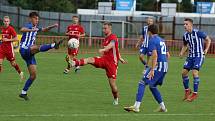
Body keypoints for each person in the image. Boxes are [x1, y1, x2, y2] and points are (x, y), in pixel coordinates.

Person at [69, 22, 127, 105]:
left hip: (112, 64)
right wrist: (120, 57)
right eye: (103, 28)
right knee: (90, 59)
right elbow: (115, 49)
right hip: (104, 60)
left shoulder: (113, 37)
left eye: (105, 28)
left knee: (112, 85)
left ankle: (116, 98)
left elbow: (112, 45)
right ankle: (74, 63)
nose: (103, 30)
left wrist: (105, 50)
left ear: (110, 28)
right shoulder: (105, 38)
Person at [124, 24, 170, 113]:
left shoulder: (152, 40)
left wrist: (152, 70)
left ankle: (136, 106)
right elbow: (168, 55)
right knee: (152, 86)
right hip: (164, 66)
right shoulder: (162, 40)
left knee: (142, 83)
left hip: (158, 66)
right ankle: (163, 107)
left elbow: (155, 55)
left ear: (149, 32)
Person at [19, 12, 63, 100]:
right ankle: (53, 45)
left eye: (38, 19)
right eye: (35, 18)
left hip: (30, 54)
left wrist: (53, 26)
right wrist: (32, 29)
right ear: (30, 19)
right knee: (37, 47)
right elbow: (22, 29)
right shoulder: (28, 25)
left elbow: (44, 29)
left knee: (33, 75)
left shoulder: (36, 27)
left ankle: (23, 93)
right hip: (24, 49)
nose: (37, 20)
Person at [179, 18, 211, 102]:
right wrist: (182, 52)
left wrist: (206, 49)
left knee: (194, 72)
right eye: (184, 24)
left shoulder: (198, 32)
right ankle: (187, 91)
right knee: (183, 73)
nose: (184, 25)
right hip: (190, 56)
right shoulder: (185, 35)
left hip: (199, 56)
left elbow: (208, 39)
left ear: (191, 25)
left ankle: (195, 94)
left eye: (186, 24)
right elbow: (185, 45)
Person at [0, 16, 24, 80]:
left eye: (7, 21)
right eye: (5, 21)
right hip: (2, 48)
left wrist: (7, 40)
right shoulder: (1, 28)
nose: (6, 22)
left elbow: (16, 38)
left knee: (13, 64)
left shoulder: (11, 29)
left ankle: (20, 72)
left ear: (9, 22)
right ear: (3, 22)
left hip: (9, 49)